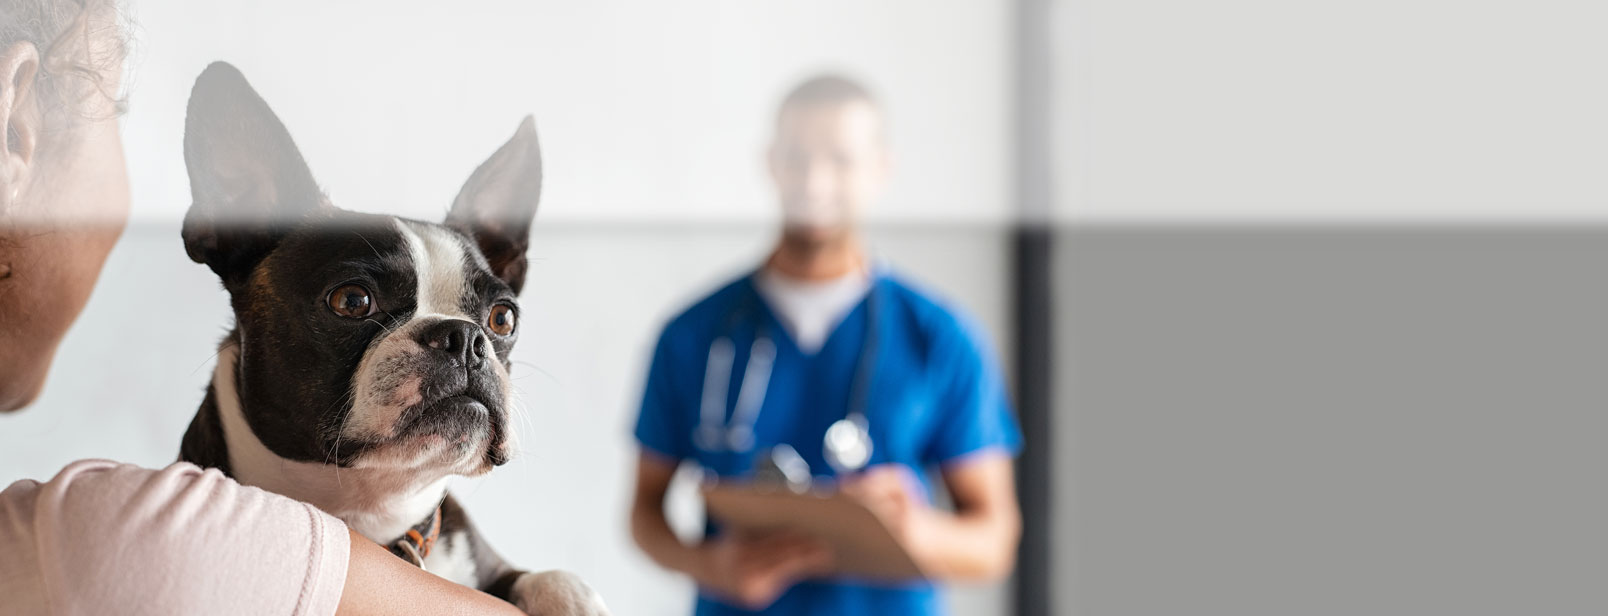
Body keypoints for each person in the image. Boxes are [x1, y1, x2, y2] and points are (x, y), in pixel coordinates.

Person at [0, 2, 523, 613]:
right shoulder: (135, 538)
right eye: (355, 301)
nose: (467, 346)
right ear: (14, 130)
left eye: (496, 321)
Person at [629, 75, 1023, 615]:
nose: (815, 180)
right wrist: (709, 566)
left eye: (841, 159)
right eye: (798, 156)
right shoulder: (693, 334)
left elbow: (994, 541)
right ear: (771, 162)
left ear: (880, 169)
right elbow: (643, 514)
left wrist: (914, 530)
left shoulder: (941, 338)